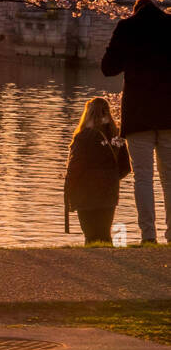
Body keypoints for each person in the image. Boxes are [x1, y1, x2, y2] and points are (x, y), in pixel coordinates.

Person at [100, 0, 171, 243]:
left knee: (143, 176)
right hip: (168, 114)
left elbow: (108, 68)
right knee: (169, 178)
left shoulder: (127, 27)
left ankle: (148, 235)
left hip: (138, 113)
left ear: (135, 10)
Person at [63, 97, 130, 245]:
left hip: (85, 193)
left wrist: (68, 186)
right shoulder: (116, 136)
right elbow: (126, 167)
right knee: (105, 234)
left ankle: (92, 266)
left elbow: (76, 167)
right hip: (109, 192)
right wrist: (111, 178)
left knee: (90, 235)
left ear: (88, 113)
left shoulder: (83, 137)